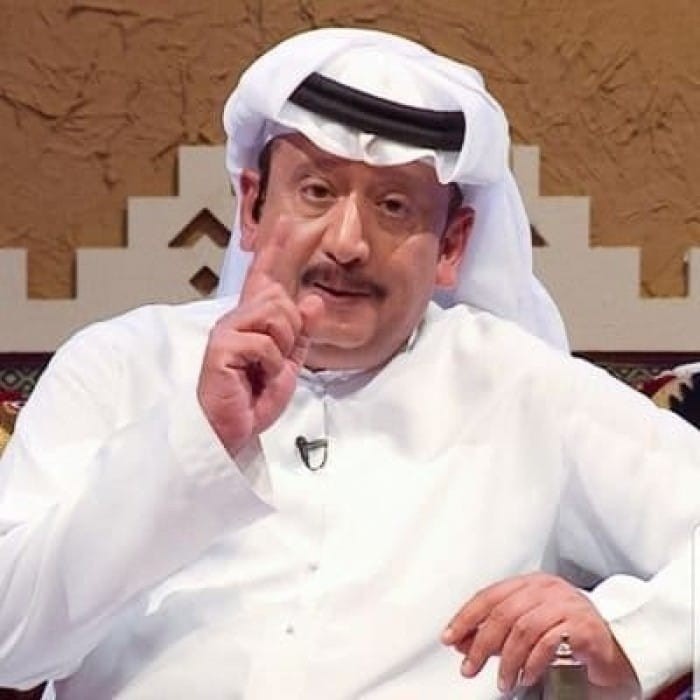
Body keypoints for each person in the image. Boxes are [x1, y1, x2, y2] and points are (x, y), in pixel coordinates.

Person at [0, 27, 698, 700]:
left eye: (393, 207)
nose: (347, 243)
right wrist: (191, 439)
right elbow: (10, 639)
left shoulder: (524, 389)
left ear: (452, 245)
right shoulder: (119, 365)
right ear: (251, 207)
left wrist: (627, 634)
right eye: (316, 192)